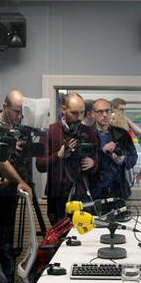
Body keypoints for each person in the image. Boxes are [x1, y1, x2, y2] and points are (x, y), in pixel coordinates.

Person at [0, 89, 33, 281]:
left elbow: (25, 166)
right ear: (4, 107)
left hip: (6, 198)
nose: (19, 116)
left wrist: (14, 178)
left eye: (22, 113)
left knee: (5, 247)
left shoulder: (22, 131)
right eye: (16, 111)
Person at [36, 93, 98, 225]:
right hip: (58, 196)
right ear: (64, 110)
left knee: (83, 237)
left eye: (82, 113)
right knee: (59, 238)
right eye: (74, 113)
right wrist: (58, 155)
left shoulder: (89, 132)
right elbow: (40, 165)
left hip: (82, 193)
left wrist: (93, 163)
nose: (79, 117)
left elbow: (97, 166)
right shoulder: (50, 131)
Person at [89, 98, 138, 216]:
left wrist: (122, 160)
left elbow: (133, 158)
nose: (104, 115)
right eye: (100, 112)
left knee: (119, 228)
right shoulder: (86, 134)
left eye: (107, 111)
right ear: (93, 114)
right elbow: (81, 162)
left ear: (111, 112)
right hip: (94, 192)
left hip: (118, 191)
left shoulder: (122, 134)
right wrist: (102, 151)